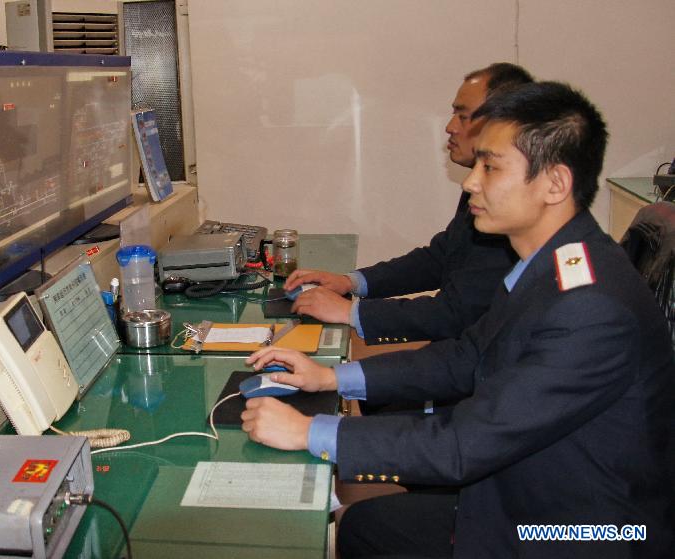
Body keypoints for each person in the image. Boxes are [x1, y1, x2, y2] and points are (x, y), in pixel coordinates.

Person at [242, 81, 675, 557]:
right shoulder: (555, 263)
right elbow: (467, 356)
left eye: (491, 167)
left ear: (555, 183)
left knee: (368, 528)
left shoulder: (590, 309)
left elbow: (464, 445)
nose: (471, 181)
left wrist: (308, 432)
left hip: (588, 531)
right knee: (371, 525)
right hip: (539, 491)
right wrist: (330, 377)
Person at [285, 63, 533, 344]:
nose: (450, 127)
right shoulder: (481, 186)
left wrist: (351, 312)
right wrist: (351, 282)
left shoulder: (510, 207)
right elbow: (441, 257)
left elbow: (456, 314)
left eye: (463, 116)